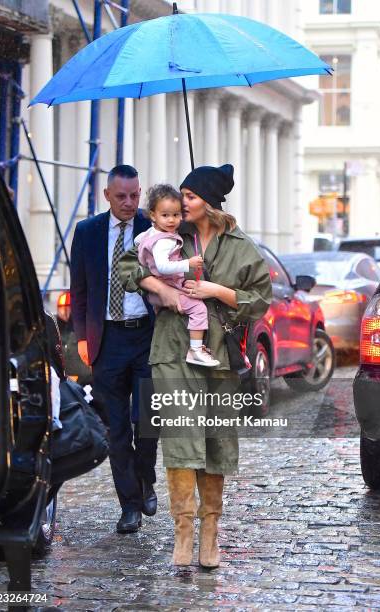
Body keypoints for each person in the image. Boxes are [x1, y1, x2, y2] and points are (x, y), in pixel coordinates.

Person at [120, 164, 272, 567]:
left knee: (215, 443)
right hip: (172, 352)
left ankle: (210, 534)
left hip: (219, 357)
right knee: (181, 441)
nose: (180, 203)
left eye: (189, 196)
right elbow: (126, 267)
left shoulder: (241, 246)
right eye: (180, 196)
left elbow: (261, 299)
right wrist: (157, 288)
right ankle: (183, 534)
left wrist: (216, 290)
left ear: (210, 201)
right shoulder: (168, 234)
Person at [70, 164, 157, 534]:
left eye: (135, 195)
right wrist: (83, 339)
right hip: (107, 339)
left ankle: (146, 477)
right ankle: (130, 505)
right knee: (117, 427)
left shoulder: (152, 229)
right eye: (121, 196)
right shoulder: (87, 232)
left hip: (147, 338)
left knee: (148, 421)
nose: (129, 202)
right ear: (107, 195)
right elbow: (79, 291)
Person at [135, 184, 220, 367]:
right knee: (198, 309)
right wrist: (187, 263)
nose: (172, 220)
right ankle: (196, 350)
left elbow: (138, 242)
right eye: (165, 215)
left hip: (158, 293)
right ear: (153, 215)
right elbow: (163, 266)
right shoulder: (165, 240)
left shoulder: (151, 233)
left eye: (176, 215)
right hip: (171, 285)